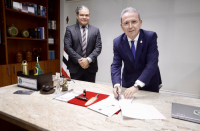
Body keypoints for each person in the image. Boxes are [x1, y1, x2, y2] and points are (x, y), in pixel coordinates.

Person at [111, 7, 162, 99]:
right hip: (128, 83)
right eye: (126, 23)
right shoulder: (117, 42)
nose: (130, 26)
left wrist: (136, 86)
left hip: (149, 82)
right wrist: (116, 84)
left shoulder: (150, 37)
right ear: (122, 26)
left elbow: (152, 63)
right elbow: (116, 65)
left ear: (140, 23)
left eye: (134, 22)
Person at [64, 5, 102, 83]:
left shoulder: (96, 30)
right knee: (75, 91)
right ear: (77, 16)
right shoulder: (69, 30)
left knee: (90, 92)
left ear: (89, 16)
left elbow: (98, 47)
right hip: (75, 68)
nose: (84, 17)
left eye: (86, 15)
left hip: (90, 68)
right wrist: (81, 61)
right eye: (81, 15)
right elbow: (67, 47)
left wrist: (88, 60)